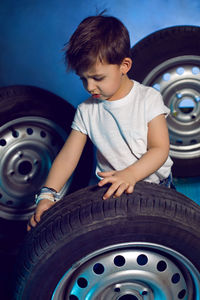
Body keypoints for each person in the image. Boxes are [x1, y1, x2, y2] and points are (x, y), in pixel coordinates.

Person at [27, 14, 173, 231]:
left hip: (155, 187)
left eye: (97, 78)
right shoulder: (86, 110)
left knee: (164, 232)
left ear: (124, 65)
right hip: (111, 190)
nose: (89, 87)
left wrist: (130, 174)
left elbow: (160, 149)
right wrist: (48, 194)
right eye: (83, 79)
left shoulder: (147, 98)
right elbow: (68, 158)